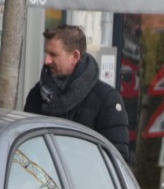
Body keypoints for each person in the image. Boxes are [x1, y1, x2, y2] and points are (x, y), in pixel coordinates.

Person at [24, 25, 130, 162]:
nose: (47, 60)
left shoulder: (106, 100)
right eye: (46, 53)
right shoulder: (36, 95)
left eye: (53, 54)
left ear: (75, 56)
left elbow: (117, 162)